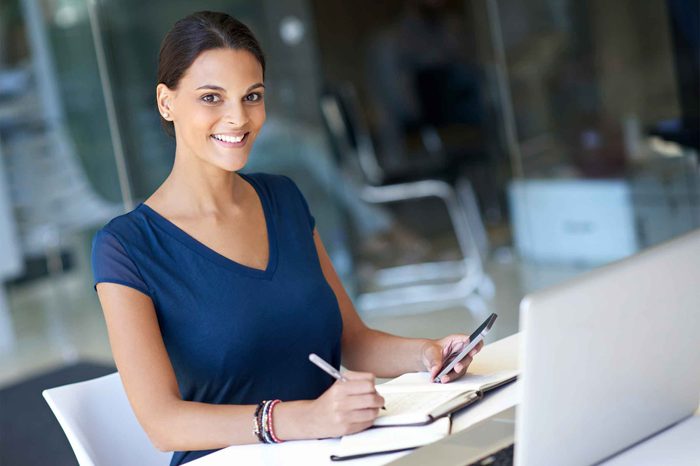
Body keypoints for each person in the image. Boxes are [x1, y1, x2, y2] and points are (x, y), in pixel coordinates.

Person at [91, 11, 483, 466]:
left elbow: (349, 341)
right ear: (166, 103)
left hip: (335, 453)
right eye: (211, 97)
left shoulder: (284, 198)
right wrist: (304, 420)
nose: (238, 118)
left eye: (251, 96)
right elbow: (163, 424)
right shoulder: (126, 247)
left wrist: (428, 354)